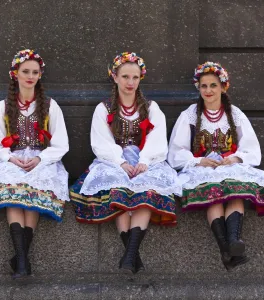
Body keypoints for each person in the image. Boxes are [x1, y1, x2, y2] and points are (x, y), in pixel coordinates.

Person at [70, 52, 182, 274]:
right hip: (114, 162)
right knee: (117, 191)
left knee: (147, 192)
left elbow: (158, 138)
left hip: (145, 161)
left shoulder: (151, 108)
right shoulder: (104, 108)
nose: (130, 83)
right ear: (115, 77)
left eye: (135, 77)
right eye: (125, 77)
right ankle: (131, 256)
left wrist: (144, 161)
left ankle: (130, 256)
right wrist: (120, 162)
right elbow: (101, 141)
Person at [0, 49, 69, 279]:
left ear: (40, 75)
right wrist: (10, 158)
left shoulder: (51, 106)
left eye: (35, 72)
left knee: (32, 190)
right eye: (25, 72)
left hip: (41, 160)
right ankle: (22, 260)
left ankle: (21, 259)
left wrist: (40, 158)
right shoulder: (3, 107)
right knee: (13, 189)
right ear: (15, 74)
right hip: (12, 158)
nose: (30, 76)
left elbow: (61, 144)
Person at [168, 61, 264, 270]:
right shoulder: (190, 115)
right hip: (202, 169)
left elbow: (252, 149)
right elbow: (176, 151)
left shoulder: (235, 114)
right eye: (204, 86)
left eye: (213, 85)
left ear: (223, 87)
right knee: (213, 194)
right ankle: (227, 248)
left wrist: (236, 158)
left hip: (229, 166)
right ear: (198, 88)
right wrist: (198, 160)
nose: (209, 90)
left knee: (236, 191)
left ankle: (233, 242)